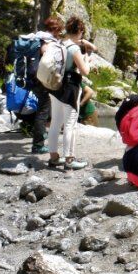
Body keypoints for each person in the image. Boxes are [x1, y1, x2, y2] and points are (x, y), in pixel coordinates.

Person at [46, 16, 91, 170]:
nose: (82, 35)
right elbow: (85, 71)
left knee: (55, 123)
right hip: (70, 88)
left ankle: (53, 157)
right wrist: (88, 60)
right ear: (79, 30)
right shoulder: (74, 48)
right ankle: (69, 160)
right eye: (82, 32)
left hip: (55, 85)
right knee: (70, 124)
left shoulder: (60, 43)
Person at [26, 16, 65, 155]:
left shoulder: (37, 37)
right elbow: (47, 55)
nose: (60, 33)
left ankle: (39, 134)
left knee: (42, 109)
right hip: (40, 79)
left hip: (33, 77)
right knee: (43, 110)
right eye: (59, 30)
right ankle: (38, 145)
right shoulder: (47, 41)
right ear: (55, 29)